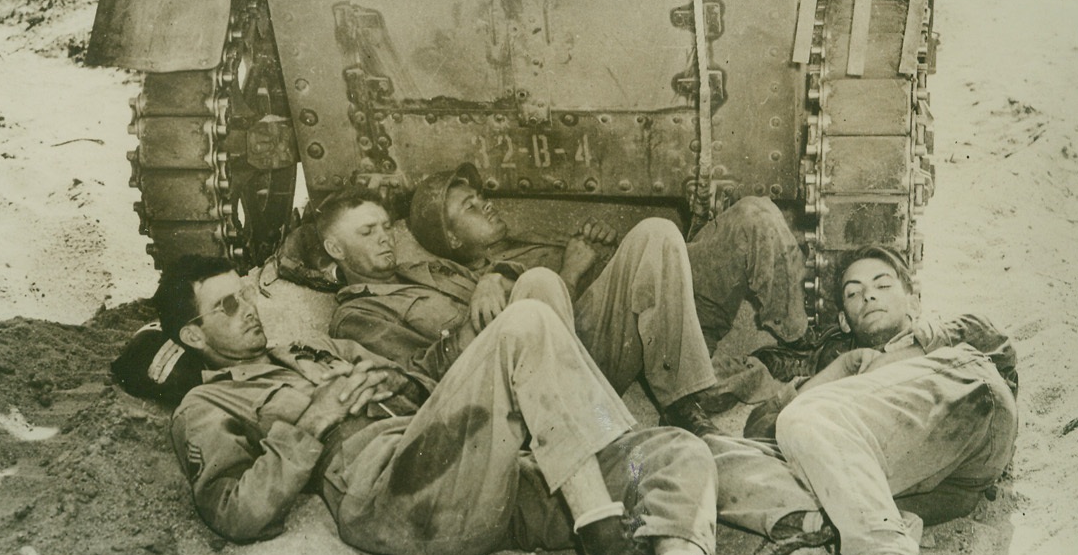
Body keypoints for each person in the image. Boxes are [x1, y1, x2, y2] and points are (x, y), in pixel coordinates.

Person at [155, 254, 769, 555]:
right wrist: (313, 421)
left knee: (671, 450)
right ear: (192, 334)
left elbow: (431, 393)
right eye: (226, 305)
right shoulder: (207, 405)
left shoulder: (316, 350)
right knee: (527, 322)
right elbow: (233, 511)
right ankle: (607, 551)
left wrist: (399, 378)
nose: (248, 309)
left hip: (477, 480)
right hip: (396, 496)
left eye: (246, 294)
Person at [708, 245, 1018, 555]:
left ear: (913, 299)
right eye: (853, 293)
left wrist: (902, 354)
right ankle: (834, 524)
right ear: (843, 320)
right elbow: (761, 429)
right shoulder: (840, 373)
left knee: (806, 416)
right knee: (710, 456)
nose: (868, 295)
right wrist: (839, 369)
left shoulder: (942, 333)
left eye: (882, 285)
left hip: (965, 408)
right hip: (917, 484)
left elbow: (998, 350)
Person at [319, 168, 807, 436]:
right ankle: (670, 409)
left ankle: (710, 390)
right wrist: (552, 272)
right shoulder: (359, 313)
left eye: (385, 228)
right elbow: (422, 378)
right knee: (545, 280)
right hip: (541, 375)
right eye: (368, 232)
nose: (385, 238)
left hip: (615, 336)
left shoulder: (434, 273)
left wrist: (595, 256)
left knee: (668, 231)